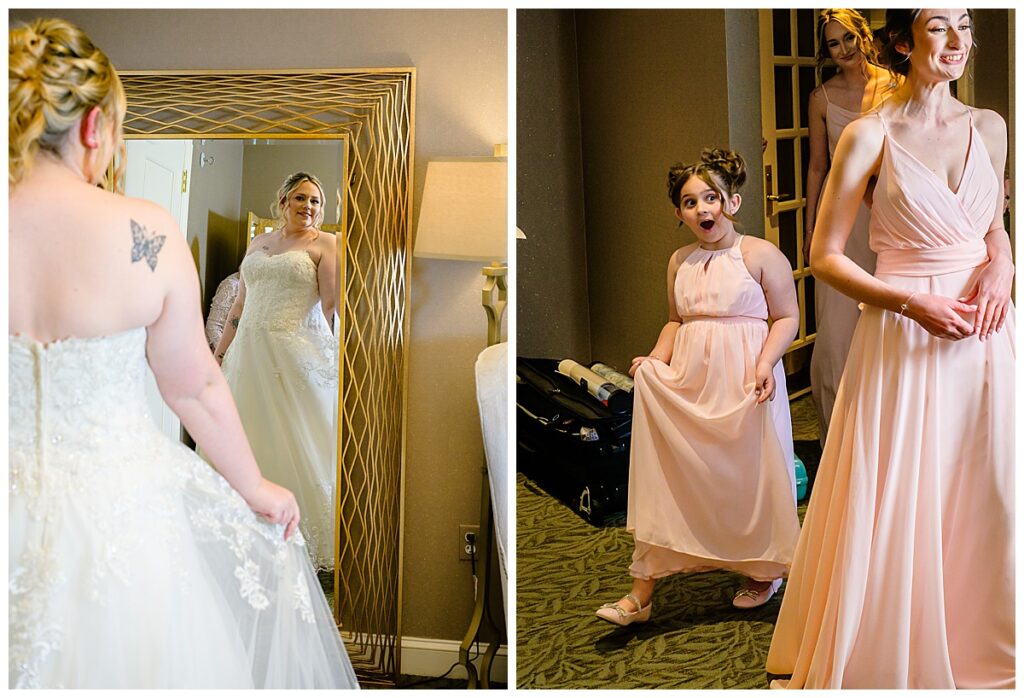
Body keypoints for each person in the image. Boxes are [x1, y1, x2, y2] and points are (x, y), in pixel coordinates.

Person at [8, 18, 358, 688]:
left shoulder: (316, 247)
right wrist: (253, 487)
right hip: (117, 513)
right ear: (92, 128)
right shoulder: (148, 232)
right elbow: (193, 383)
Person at [767, 9, 1014, 688]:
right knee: (910, 489)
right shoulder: (869, 135)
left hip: (987, 332)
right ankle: (896, 647)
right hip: (907, 328)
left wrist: (1004, 265)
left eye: (966, 25)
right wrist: (914, 303)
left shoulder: (989, 126)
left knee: (987, 484)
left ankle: (983, 639)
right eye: (940, 27)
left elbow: (994, 226)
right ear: (904, 43)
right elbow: (824, 256)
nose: (959, 42)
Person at [594, 148, 801, 626]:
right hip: (692, 380)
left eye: (711, 198)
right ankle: (641, 591)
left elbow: (787, 316)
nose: (702, 209)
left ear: (733, 201)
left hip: (747, 379)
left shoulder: (760, 255)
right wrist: (654, 359)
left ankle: (763, 571)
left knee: (748, 475)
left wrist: (767, 362)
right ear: (678, 213)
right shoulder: (679, 261)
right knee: (678, 474)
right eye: (690, 202)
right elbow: (675, 322)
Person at [212, 172, 339, 572]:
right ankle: (241, 528)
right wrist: (218, 355)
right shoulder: (259, 242)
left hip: (295, 355)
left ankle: (296, 533)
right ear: (283, 201)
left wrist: (337, 358)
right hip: (248, 355)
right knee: (249, 435)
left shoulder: (327, 244)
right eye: (301, 198)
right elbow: (239, 306)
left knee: (294, 440)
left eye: (316, 201)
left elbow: (332, 308)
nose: (309, 207)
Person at [805, 8, 899, 444]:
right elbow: (817, 167)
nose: (842, 50)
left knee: (889, 322)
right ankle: (836, 441)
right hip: (840, 218)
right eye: (832, 43)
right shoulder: (821, 98)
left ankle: (887, 438)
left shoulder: (896, 85)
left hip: (887, 214)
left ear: (862, 35)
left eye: (847, 38)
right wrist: (811, 229)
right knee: (836, 337)